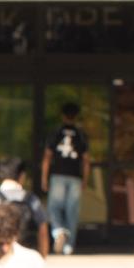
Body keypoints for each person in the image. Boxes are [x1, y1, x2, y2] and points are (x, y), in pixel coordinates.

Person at [0, 155, 50, 254]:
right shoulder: (32, 200)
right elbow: (43, 232)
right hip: (25, 258)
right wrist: (42, 259)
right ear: (22, 175)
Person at [41, 101, 91, 255]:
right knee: (72, 211)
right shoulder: (81, 134)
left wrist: (44, 178)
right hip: (75, 176)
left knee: (54, 207)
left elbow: (47, 157)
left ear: (62, 116)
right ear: (76, 116)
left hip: (57, 175)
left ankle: (58, 231)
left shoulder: (56, 133)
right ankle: (69, 246)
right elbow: (86, 160)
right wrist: (85, 179)